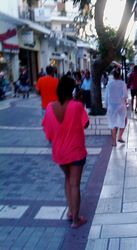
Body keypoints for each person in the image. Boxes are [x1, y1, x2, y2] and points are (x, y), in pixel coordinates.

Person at [42, 75, 89, 228]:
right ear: (72, 90)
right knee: (75, 184)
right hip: (76, 151)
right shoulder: (77, 106)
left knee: (68, 180)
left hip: (60, 153)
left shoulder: (50, 107)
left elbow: (48, 131)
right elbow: (86, 124)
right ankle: (76, 220)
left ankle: (70, 211)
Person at [105, 67, 128, 146]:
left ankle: (114, 142)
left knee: (112, 123)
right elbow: (125, 95)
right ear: (120, 75)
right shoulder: (122, 83)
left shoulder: (109, 83)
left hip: (111, 106)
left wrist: (106, 105)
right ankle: (120, 136)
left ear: (113, 75)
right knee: (124, 120)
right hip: (121, 105)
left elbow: (106, 96)